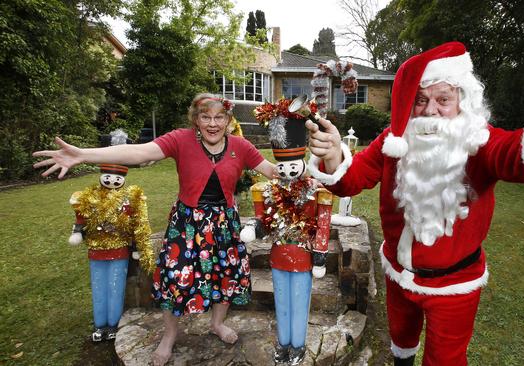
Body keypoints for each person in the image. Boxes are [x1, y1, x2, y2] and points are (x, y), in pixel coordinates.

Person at [305, 42, 524, 366]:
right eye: (420, 100)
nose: (431, 110)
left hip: (454, 286)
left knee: (445, 359)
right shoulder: (394, 140)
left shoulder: (478, 141)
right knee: (400, 341)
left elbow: (514, 154)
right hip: (396, 272)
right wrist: (334, 156)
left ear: (463, 99)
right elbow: (352, 179)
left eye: (443, 99)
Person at [33, 93, 277, 366]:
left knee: (226, 276)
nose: (212, 123)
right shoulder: (180, 140)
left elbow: (272, 171)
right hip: (186, 224)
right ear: (195, 120)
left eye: (219, 117)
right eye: (205, 117)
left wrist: (307, 172)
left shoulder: (240, 146)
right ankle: (169, 335)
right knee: (174, 278)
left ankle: (217, 324)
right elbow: (138, 151)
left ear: (229, 120)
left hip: (224, 224)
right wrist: (83, 155)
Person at [240, 105, 333, 365]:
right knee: (281, 299)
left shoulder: (316, 190)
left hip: (303, 256)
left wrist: (320, 257)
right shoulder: (269, 190)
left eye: (293, 165)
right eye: (283, 165)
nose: (288, 171)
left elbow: (323, 223)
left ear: (301, 163)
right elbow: (264, 221)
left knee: (300, 301)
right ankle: (284, 343)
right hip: (279, 254)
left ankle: (298, 345)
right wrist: (252, 229)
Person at [69, 161, 155, 342]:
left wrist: (137, 247)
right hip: (96, 251)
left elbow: (137, 224)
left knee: (115, 287)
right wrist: (77, 232)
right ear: (101, 176)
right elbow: (81, 216)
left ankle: (113, 324)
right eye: (107, 177)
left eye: (117, 178)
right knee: (98, 287)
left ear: (122, 179)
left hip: (120, 251)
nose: (112, 181)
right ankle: (100, 325)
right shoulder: (90, 197)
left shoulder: (130, 199)